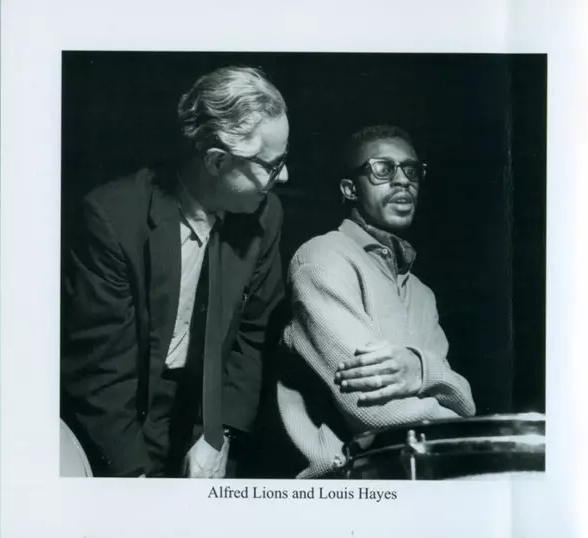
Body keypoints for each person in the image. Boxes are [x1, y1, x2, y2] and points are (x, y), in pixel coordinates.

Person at [61, 66, 289, 478]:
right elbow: (101, 376)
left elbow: (253, 336)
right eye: (272, 165)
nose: (284, 176)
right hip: (120, 420)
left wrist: (218, 434)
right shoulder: (112, 219)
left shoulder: (265, 215)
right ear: (217, 161)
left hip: (204, 415)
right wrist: (136, 482)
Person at [277, 124, 475, 478]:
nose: (402, 181)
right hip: (338, 490)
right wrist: (454, 410)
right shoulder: (323, 259)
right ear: (350, 189)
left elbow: (467, 404)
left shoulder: (422, 293)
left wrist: (419, 370)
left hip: (418, 479)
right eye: (383, 169)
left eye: (411, 170)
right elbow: (375, 412)